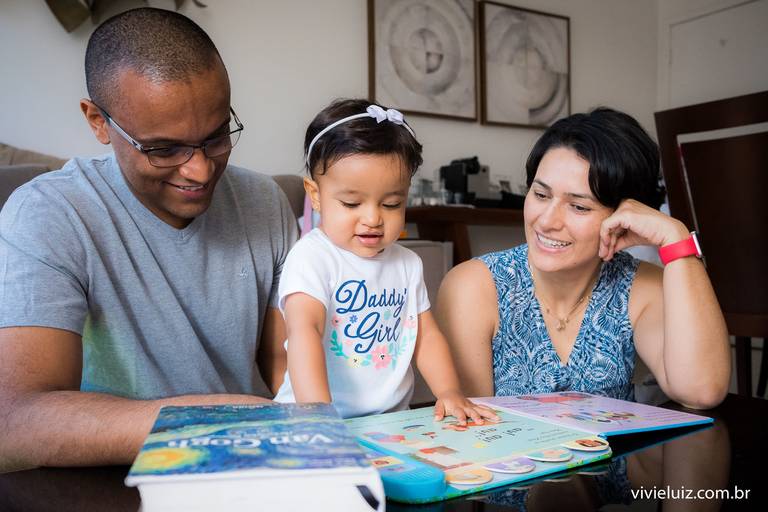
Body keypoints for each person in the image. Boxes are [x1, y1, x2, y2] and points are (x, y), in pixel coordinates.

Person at [0, 8, 297, 469]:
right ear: (98, 121)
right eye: (164, 149)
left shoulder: (265, 202)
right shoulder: (49, 214)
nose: (199, 170)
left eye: (217, 137)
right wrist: (210, 422)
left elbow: (290, 377)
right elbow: (14, 423)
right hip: (117, 476)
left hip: (258, 461)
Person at [435, 108, 730, 409]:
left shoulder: (641, 287)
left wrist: (676, 238)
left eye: (579, 207)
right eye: (541, 195)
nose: (547, 221)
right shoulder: (473, 287)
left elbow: (701, 391)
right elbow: (470, 431)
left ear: (625, 216)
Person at [271, 98, 496, 424]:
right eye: (351, 203)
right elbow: (304, 332)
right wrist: (318, 415)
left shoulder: (407, 263)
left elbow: (426, 336)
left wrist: (448, 391)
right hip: (313, 419)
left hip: (389, 420)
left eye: (391, 204)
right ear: (316, 194)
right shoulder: (312, 257)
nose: (373, 218)